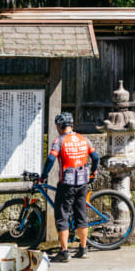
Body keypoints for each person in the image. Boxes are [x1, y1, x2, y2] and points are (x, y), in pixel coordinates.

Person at [41, 111, 99, 262]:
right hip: (83, 182)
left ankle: (65, 252)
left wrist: (44, 175)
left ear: (60, 126)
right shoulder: (84, 139)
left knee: (62, 217)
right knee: (81, 215)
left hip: (67, 184)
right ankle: (83, 249)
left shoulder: (59, 141)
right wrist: (93, 172)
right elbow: (95, 157)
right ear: (71, 125)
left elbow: (51, 159)